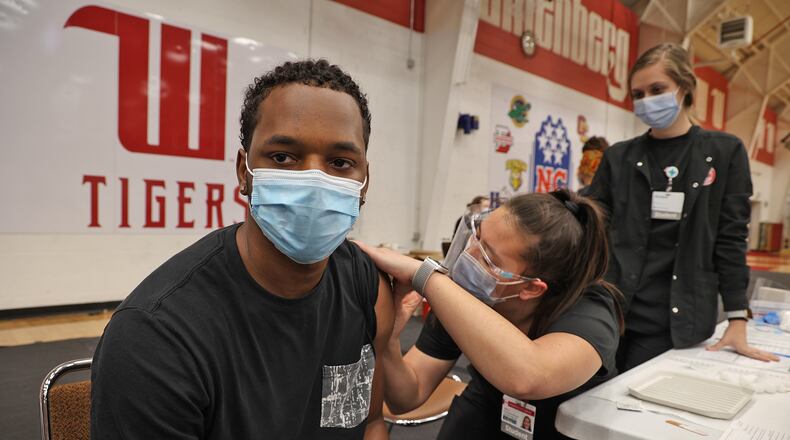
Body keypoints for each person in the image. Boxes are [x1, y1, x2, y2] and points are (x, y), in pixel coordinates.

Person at [91, 60, 394, 439]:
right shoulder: (155, 338)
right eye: (283, 157)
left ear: (364, 181)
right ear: (243, 170)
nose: (314, 181)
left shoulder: (363, 283)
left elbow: (373, 423)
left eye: (340, 163)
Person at [356, 189, 622, 439]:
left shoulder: (590, 313)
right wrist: (389, 340)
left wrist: (425, 277)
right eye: (477, 237)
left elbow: (529, 376)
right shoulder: (468, 296)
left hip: (566, 428)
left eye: (487, 258)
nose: (469, 255)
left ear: (531, 287)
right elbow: (407, 397)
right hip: (492, 408)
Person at [586, 43, 779, 372]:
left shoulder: (724, 152)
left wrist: (737, 317)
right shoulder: (619, 157)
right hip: (609, 313)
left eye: (657, 89)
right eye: (638, 93)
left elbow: (731, 238)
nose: (647, 100)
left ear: (685, 87)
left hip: (677, 321)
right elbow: (590, 228)